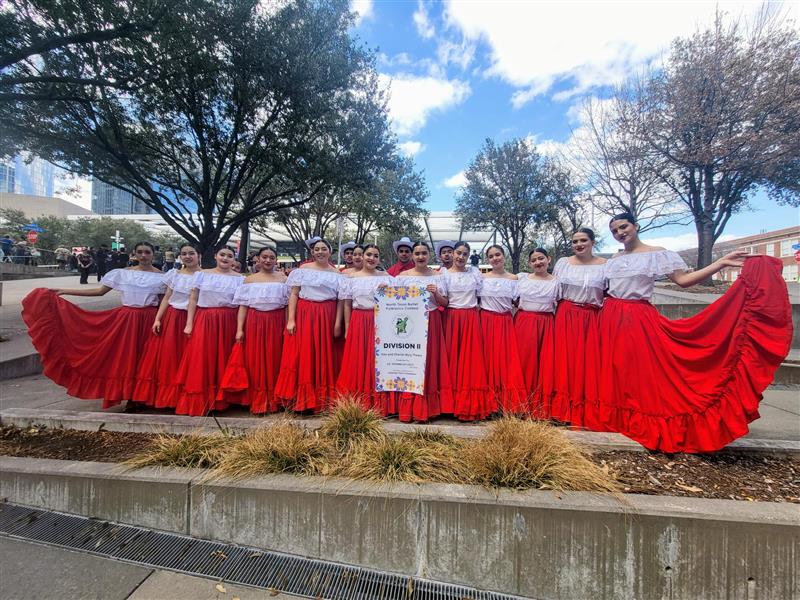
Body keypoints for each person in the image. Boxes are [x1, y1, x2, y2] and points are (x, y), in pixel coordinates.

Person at [598, 213, 792, 453]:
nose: (620, 233)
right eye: (615, 230)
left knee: (641, 373)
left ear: (636, 226)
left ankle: (649, 421)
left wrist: (720, 263)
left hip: (637, 317)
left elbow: (684, 280)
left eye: (623, 227)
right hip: (610, 317)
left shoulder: (658, 253)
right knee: (616, 371)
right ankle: (619, 420)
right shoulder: (614, 259)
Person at [21, 242, 166, 410]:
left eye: (147, 252)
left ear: (153, 255)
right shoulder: (121, 274)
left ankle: (144, 397)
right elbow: (99, 291)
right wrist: (64, 291)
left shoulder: (163, 277)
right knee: (127, 358)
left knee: (147, 359)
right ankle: (129, 395)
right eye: (139, 252)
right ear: (133, 254)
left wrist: (162, 320)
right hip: (127, 320)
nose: (143, 255)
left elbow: (164, 302)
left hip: (150, 319)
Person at [275, 237, 344, 412]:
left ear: (330, 251)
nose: (320, 252)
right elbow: (294, 294)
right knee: (303, 352)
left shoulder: (337, 274)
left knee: (323, 353)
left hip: (327, 314)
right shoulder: (302, 270)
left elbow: (340, 301)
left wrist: (337, 323)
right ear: (312, 252)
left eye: (324, 249)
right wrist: (291, 319)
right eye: (317, 249)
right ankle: (299, 399)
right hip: (305, 313)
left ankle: (321, 400)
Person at [174, 246, 245, 416]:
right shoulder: (202, 275)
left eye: (230, 256)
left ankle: (225, 398)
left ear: (234, 260)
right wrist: (189, 323)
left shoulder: (241, 279)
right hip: (206, 319)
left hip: (229, 320)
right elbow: (193, 298)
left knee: (225, 357)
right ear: (215, 256)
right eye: (222, 255)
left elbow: (243, 303)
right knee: (204, 357)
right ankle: (203, 400)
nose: (226, 258)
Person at [219, 246, 288, 414]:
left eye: (271, 257)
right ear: (258, 259)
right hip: (255, 321)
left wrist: (287, 325)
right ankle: (255, 399)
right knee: (254, 359)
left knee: (275, 358)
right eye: (264, 257)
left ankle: (275, 398)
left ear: (276, 260)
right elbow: (243, 305)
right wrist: (239, 329)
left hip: (277, 320)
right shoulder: (249, 280)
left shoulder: (284, 279)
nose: (268, 260)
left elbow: (287, 305)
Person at [133, 243, 201, 408]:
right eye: (184, 253)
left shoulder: (205, 275)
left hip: (196, 318)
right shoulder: (174, 274)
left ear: (198, 255)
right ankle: (168, 397)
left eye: (191, 253)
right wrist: (158, 319)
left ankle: (188, 396)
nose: (187, 256)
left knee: (191, 357)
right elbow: (166, 298)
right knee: (169, 356)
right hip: (173, 317)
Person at [551, 228, 606, 429]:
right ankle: (562, 410)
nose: (579, 244)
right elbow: (554, 290)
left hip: (591, 316)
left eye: (583, 240)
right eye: (575, 241)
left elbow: (609, 292)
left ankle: (586, 409)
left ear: (592, 241)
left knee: (588, 362)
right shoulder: (563, 264)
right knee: (565, 361)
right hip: (566, 314)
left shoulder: (605, 266)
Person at [393, 241, 453, 422]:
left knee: (430, 362)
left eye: (423, 253)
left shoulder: (438, 276)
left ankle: (429, 408)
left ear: (429, 255)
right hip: (411, 325)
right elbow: (393, 302)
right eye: (417, 253)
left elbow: (445, 303)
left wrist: (436, 294)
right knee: (411, 363)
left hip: (432, 321)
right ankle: (408, 406)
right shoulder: (402, 277)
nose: (420, 256)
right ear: (412, 256)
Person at [336, 244, 395, 412]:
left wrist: (387, 293)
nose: (371, 258)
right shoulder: (350, 278)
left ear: (379, 259)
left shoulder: (387, 278)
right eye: (368, 254)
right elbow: (347, 304)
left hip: (380, 320)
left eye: (375, 255)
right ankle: (356, 403)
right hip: (358, 320)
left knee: (376, 360)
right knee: (357, 358)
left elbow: (397, 302)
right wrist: (348, 327)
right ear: (362, 256)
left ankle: (378, 403)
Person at [444, 241, 493, 420]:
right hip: (451, 318)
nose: (461, 257)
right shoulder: (443, 274)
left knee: (470, 362)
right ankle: (448, 404)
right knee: (452, 360)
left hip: (471, 319)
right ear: (452, 253)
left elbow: (482, 295)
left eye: (465, 254)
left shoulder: (475, 273)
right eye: (458, 253)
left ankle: (468, 404)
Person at [478, 245, 526, 413]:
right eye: (491, 256)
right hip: (486, 322)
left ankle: (504, 404)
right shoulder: (481, 278)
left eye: (497, 255)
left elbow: (517, 302)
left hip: (505, 322)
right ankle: (487, 402)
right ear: (488, 260)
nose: (495, 258)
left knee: (505, 361)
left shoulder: (514, 279)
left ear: (503, 256)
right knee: (487, 361)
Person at [515, 248, 560, 418]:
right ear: (529, 263)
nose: (538, 262)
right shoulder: (522, 279)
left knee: (544, 364)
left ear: (548, 259)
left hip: (546, 323)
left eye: (541, 258)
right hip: (524, 322)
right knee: (525, 362)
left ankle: (540, 406)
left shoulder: (557, 281)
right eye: (533, 260)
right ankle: (520, 404)